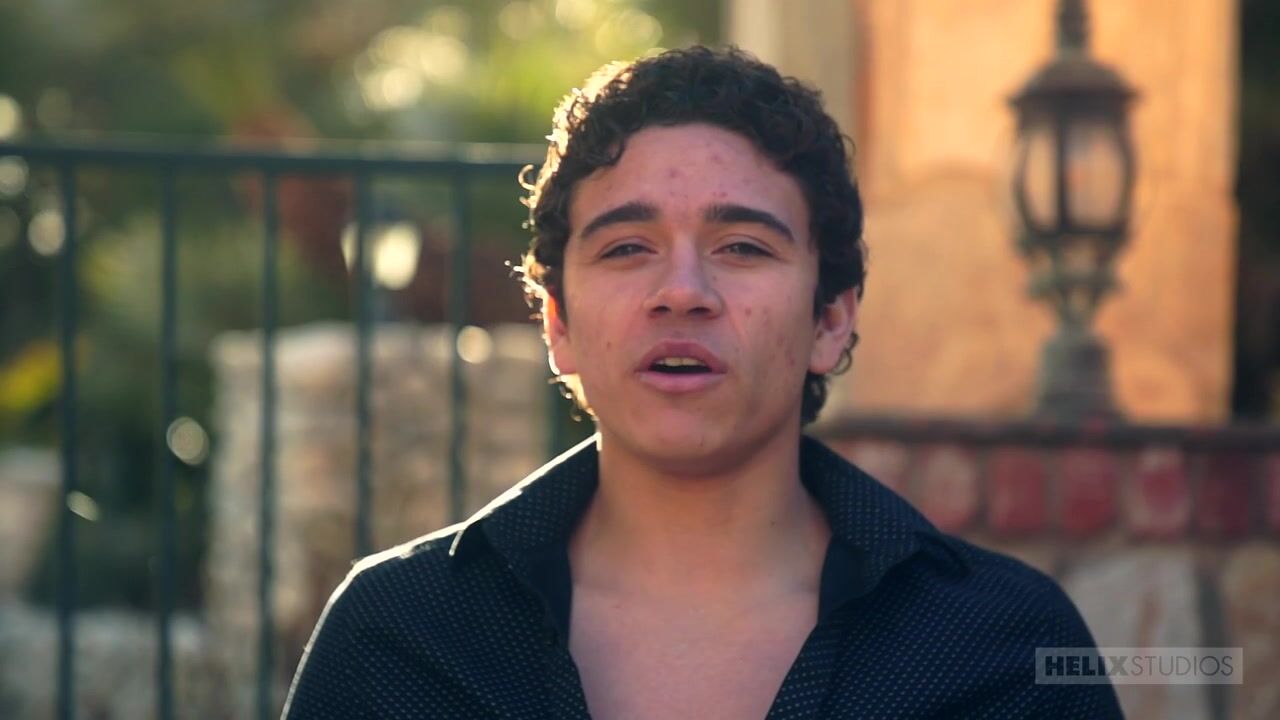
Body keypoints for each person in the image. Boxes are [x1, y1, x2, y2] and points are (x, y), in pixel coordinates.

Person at [283, 45, 1123, 719]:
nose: (681, 291)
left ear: (830, 319)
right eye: (627, 248)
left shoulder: (1001, 649)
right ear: (558, 324)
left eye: (742, 248)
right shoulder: (399, 641)